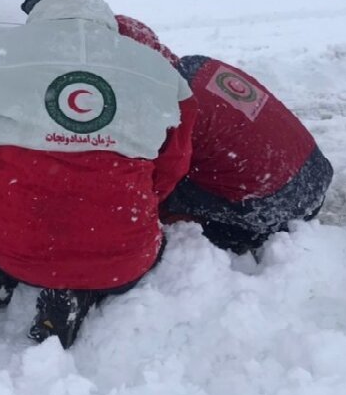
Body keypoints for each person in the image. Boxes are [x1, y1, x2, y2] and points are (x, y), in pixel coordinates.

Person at [0, 0, 196, 348]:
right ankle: (80, 288)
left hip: (12, 249)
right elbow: (170, 170)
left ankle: (35, 280)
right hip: (125, 256)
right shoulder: (160, 71)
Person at [115, 17, 333, 257]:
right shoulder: (197, 65)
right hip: (315, 172)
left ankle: (230, 237)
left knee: (146, 181)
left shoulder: (169, 106)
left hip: (281, 207)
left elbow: (156, 182)